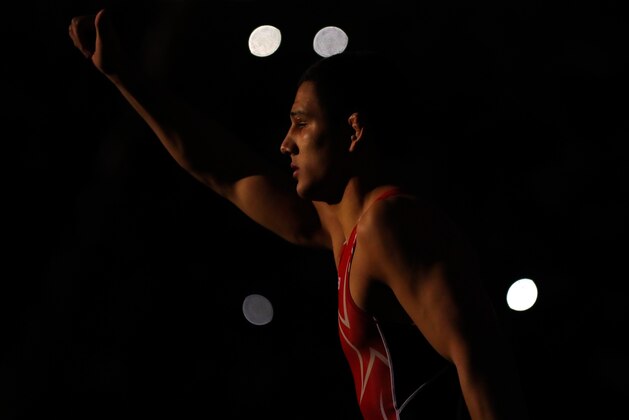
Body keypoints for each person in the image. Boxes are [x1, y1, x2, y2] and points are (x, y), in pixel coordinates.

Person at [68, 8, 530, 420]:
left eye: (302, 123)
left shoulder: (391, 225)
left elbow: (483, 361)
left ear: (353, 130)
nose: (284, 142)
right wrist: (125, 77)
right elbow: (227, 174)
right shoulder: (342, 231)